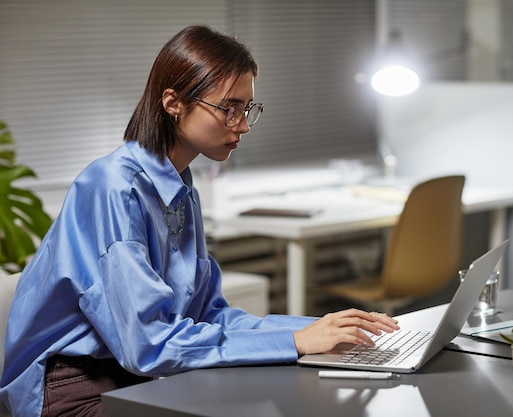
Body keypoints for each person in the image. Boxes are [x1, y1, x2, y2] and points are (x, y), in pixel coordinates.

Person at [0, 25, 399, 417]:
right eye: (229, 108)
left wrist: (325, 330)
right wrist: (294, 341)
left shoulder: (180, 188)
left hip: (132, 376)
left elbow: (211, 316)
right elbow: (147, 344)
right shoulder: (112, 187)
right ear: (173, 103)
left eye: (247, 109)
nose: (241, 125)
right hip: (71, 390)